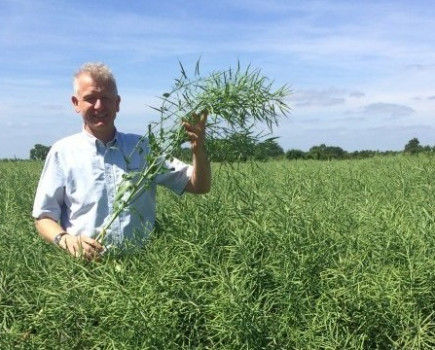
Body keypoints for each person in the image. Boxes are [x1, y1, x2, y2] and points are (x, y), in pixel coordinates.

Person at [32, 62, 211, 260]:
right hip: (84, 271)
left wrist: (198, 149)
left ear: (117, 103)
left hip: (142, 271)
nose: (99, 106)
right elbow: (44, 217)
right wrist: (66, 240)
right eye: (90, 99)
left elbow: (198, 185)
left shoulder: (143, 147)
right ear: (76, 103)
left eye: (106, 98)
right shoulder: (63, 152)